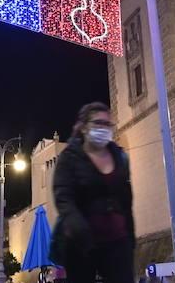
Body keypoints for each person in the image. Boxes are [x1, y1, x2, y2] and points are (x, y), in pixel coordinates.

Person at [50, 102, 134, 283]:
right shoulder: (69, 158)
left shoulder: (119, 157)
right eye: (98, 123)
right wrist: (79, 229)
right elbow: (63, 197)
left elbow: (126, 199)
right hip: (81, 244)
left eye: (107, 124)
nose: (103, 128)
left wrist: (130, 238)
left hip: (117, 241)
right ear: (84, 127)